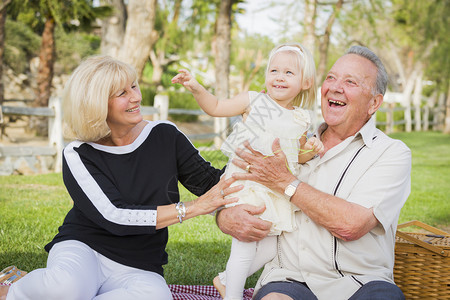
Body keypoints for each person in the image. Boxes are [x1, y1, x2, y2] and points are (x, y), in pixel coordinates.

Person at [0, 55, 242, 300]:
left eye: (134, 86)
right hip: (85, 247)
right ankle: (12, 289)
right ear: (96, 103)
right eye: (122, 93)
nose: (136, 97)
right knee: (65, 289)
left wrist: (254, 155)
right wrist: (193, 208)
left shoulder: (164, 135)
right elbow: (115, 216)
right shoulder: (78, 153)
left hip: (140, 263)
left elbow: (211, 183)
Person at [216, 45, 411, 300]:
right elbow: (232, 179)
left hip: (361, 282)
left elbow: (351, 225)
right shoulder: (289, 138)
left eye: (350, 81)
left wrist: (285, 182)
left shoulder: (390, 152)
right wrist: (224, 217)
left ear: (374, 103)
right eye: (331, 77)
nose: (335, 87)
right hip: (288, 278)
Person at [172, 43, 324, 300]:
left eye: (289, 73)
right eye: (274, 70)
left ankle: (224, 280)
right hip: (246, 183)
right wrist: (197, 88)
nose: (279, 76)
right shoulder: (256, 101)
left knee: (270, 247)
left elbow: (296, 156)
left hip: (275, 191)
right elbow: (216, 107)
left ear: (306, 82)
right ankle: (232, 295)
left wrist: (312, 148)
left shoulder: (301, 118)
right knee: (243, 249)